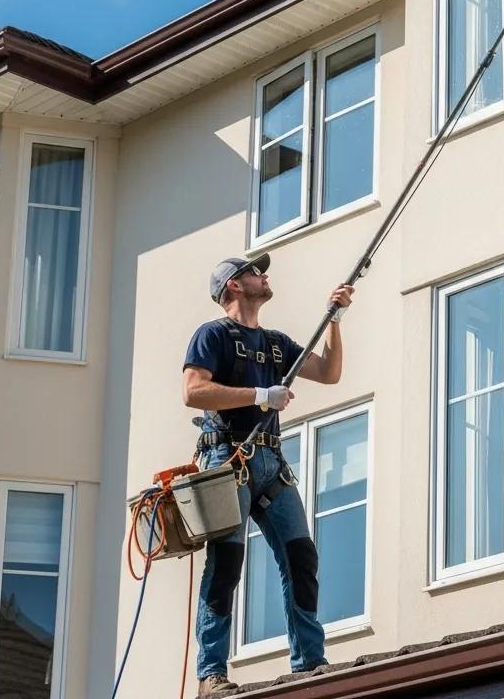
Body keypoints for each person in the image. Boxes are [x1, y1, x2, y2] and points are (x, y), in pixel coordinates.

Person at [181, 254, 354, 697]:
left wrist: (334, 318)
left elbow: (329, 373)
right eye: (255, 273)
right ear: (234, 286)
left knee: (301, 556)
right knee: (228, 561)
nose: (265, 276)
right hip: (228, 456)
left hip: (269, 461)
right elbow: (194, 391)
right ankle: (210, 673)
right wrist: (259, 395)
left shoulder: (276, 344)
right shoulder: (213, 335)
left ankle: (309, 661)